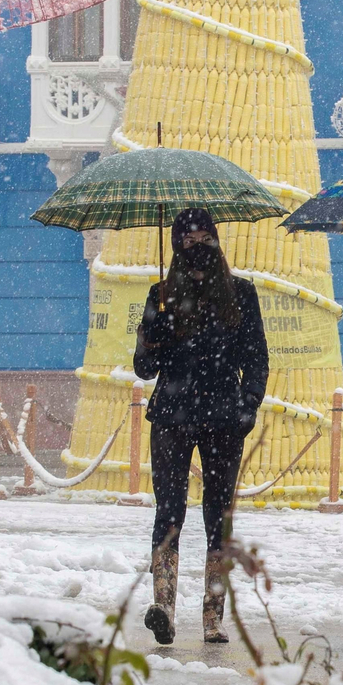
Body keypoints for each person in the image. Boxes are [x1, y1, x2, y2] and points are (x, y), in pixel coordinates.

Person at [134, 207, 268, 646]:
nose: (197, 248)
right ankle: (163, 607)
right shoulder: (160, 296)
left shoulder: (240, 294)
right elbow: (144, 368)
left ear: (216, 241)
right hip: (171, 416)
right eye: (188, 241)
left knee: (218, 515)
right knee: (169, 511)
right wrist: (153, 333)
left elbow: (257, 358)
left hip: (224, 418)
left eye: (205, 239)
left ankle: (213, 614)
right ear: (176, 246)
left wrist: (249, 405)